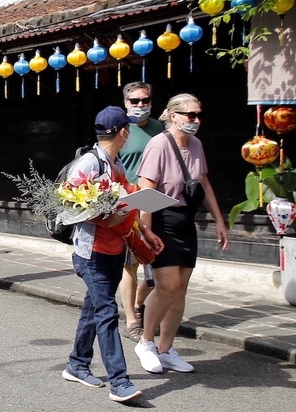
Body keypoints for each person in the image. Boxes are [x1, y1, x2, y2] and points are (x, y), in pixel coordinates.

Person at [62, 106, 164, 403]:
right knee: (107, 311)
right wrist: (106, 217)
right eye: (128, 129)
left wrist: (142, 228)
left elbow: (127, 196)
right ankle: (119, 381)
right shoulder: (88, 163)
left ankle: (77, 364)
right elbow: (70, 210)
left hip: (114, 247)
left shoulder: (115, 163)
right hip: (91, 252)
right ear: (123, 132)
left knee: (93, 309)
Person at [134, 93, 229, 374]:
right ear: (173, 116)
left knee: (181, 289)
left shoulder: (196, 144)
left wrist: (219, 221)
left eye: (198, 115)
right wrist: (145, 231)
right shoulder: (159, 144)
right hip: (161, 217)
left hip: (187, 220)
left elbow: (204, 183)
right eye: (190, 115)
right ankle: (146, 341)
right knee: (167, 286)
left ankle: (166, 348)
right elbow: (145, 190)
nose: (196, 120)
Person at [118, 82, 164, 342]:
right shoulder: (120, 130)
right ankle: (132, 319)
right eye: (134, 101)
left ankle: (137, 304)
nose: (140, 105)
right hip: (130, 202)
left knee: (155, 261)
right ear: (126, 103)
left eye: (145, 100)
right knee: (130, 263)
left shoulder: (160, 128)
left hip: (156, 203)